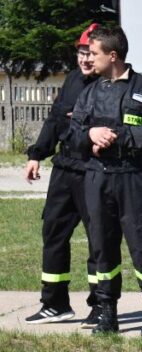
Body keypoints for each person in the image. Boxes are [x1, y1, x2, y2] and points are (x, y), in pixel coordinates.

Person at [65, 25, 142, 336]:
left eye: (93, 53)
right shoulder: (90, 92)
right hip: (98, 179)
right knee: (101, 247)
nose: (88, 58)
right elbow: (73, 134)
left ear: (113, 56)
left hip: (134, 178)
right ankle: (107, 313)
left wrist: (118, 137)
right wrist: (90, 134)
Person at [23, 23, 100, 325]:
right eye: (82, 52)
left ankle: (101, 306)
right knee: (53, 232)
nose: (85, 59)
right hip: (64, 170)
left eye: (91, 54)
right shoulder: (71, 80)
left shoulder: (111, 86)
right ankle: (54, 304)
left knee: (99, 240)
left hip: (93, 172)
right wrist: (36, 154)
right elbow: (55, 120)